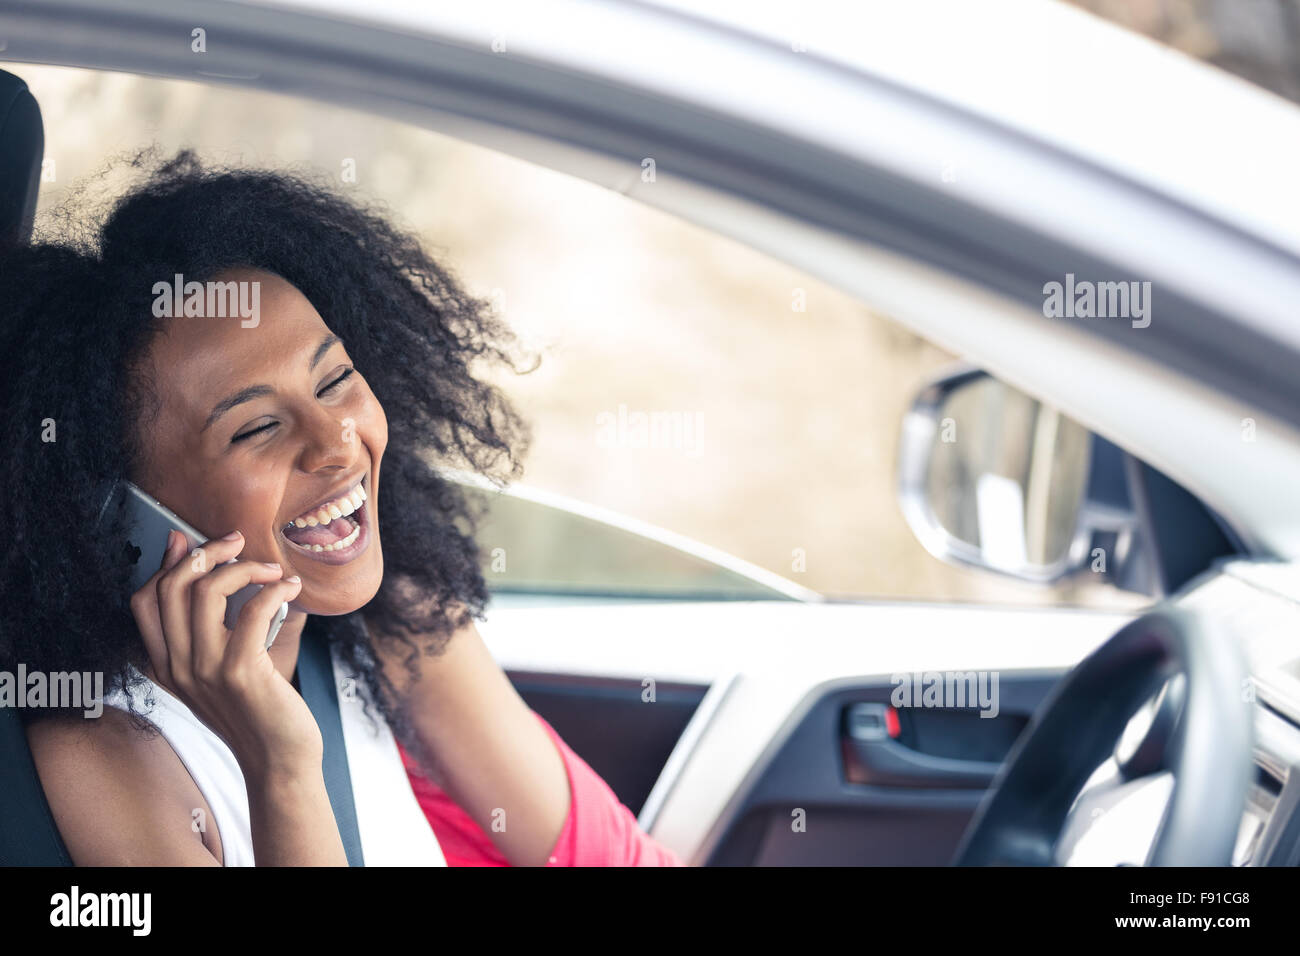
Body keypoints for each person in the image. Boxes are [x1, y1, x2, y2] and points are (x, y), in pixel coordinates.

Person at [3, 150, 681, 867]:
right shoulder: (107, 751)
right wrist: (283, 767)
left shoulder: (396, 622)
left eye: (335, 380)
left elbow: (611, 860)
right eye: (256, 428)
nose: (336, 441)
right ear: (113, 513)